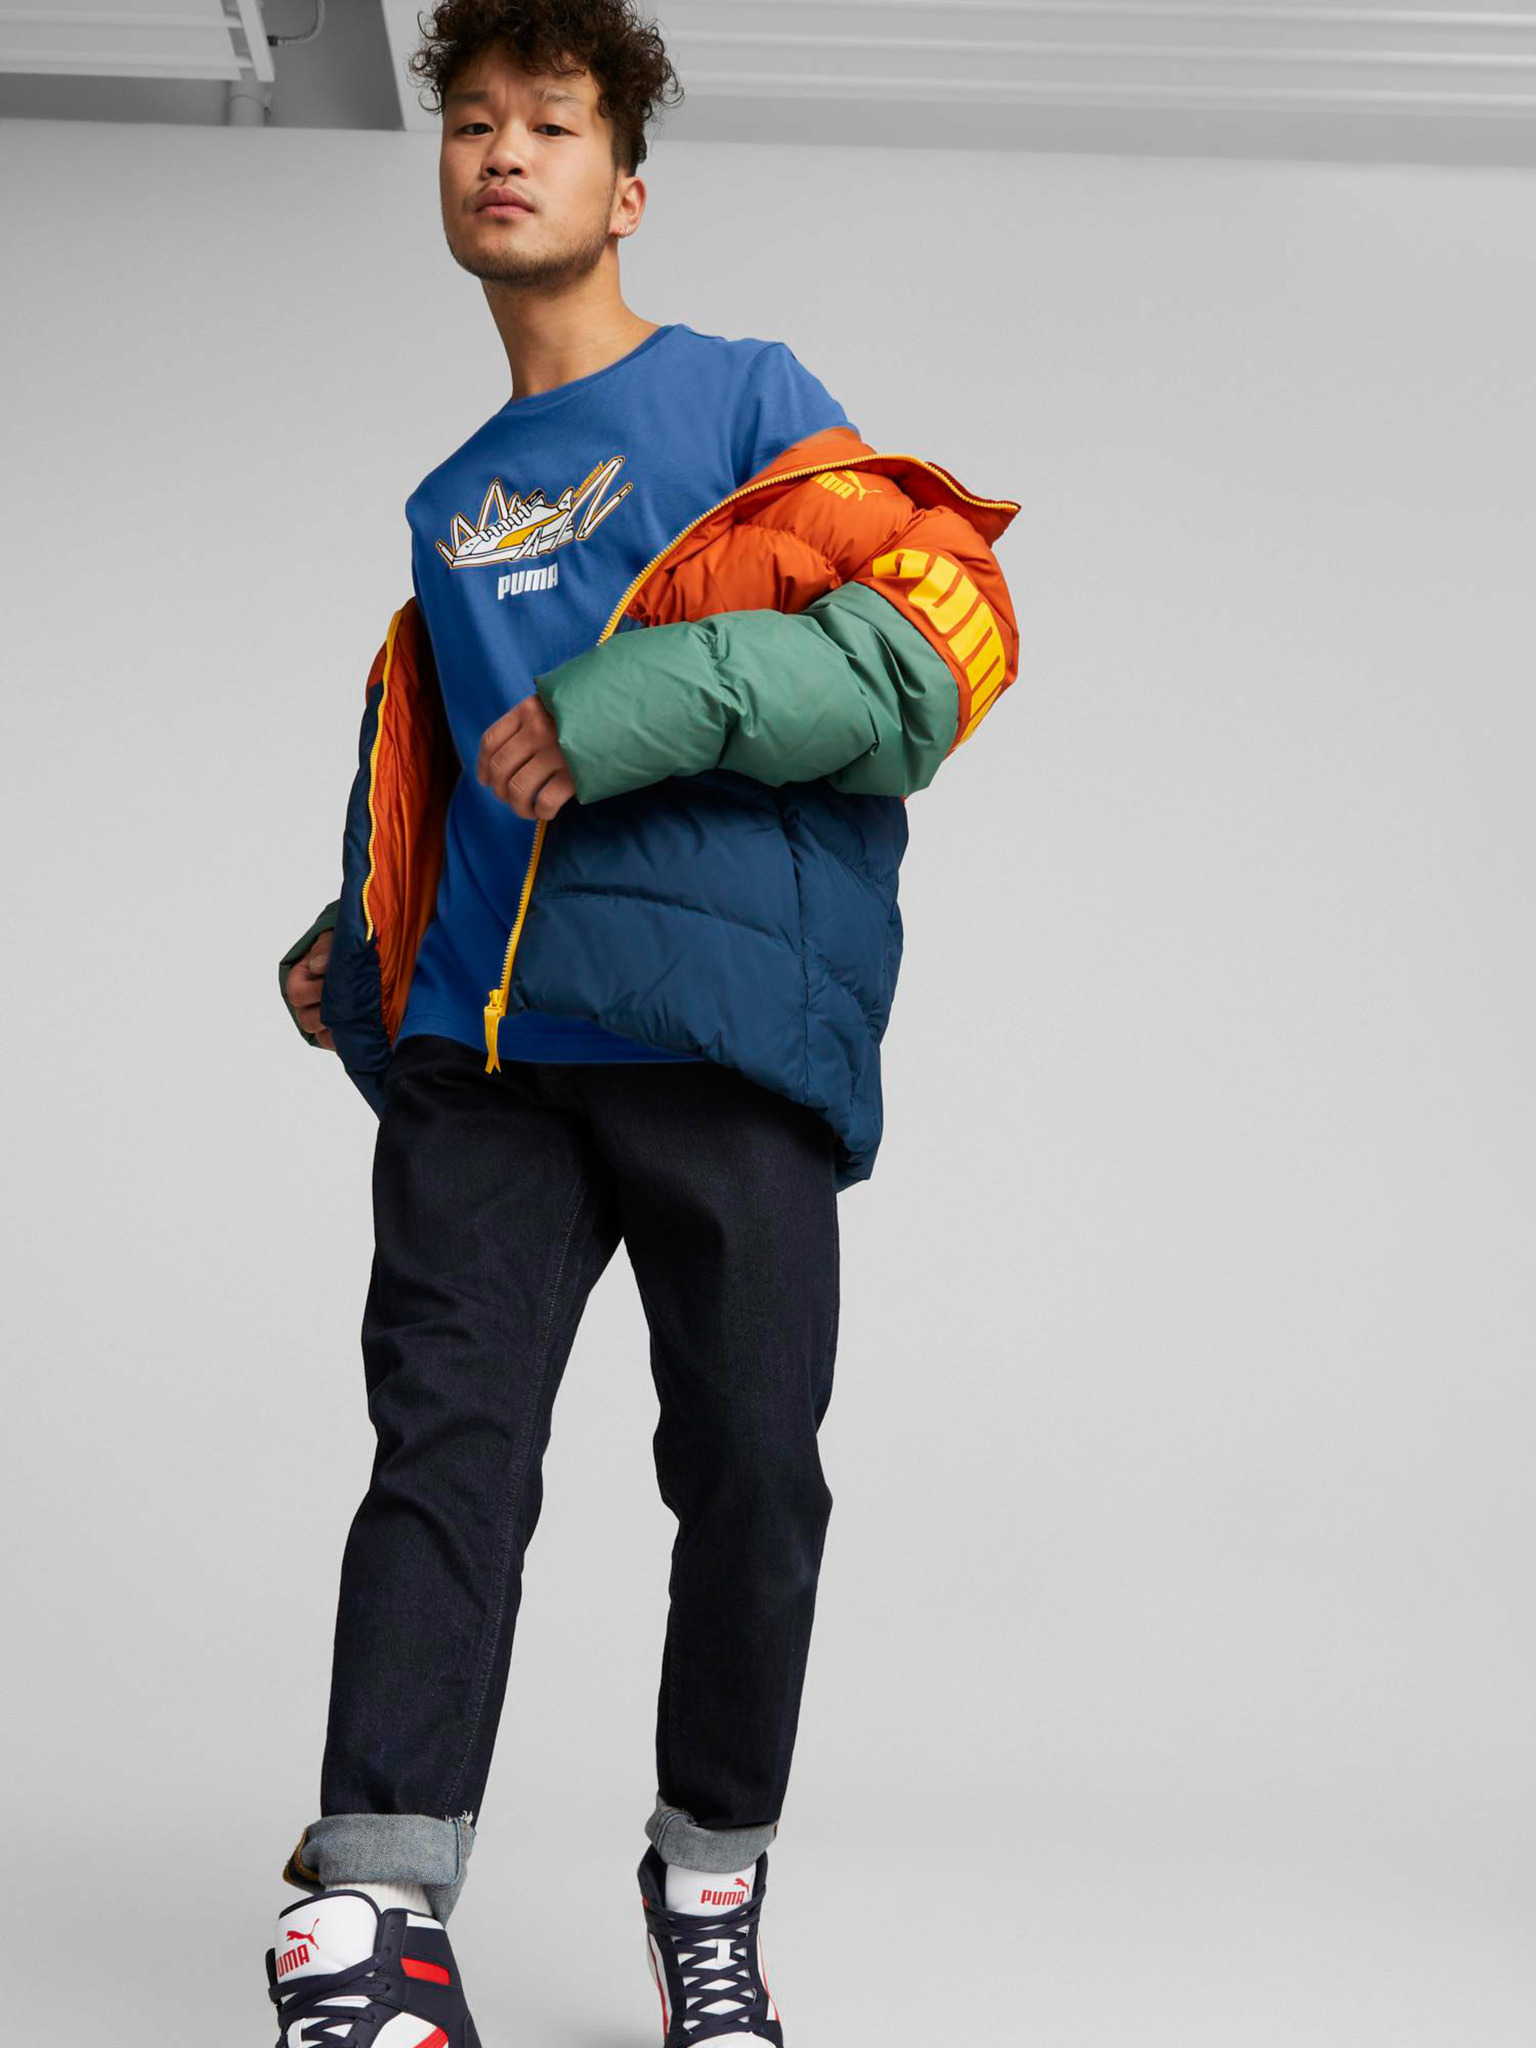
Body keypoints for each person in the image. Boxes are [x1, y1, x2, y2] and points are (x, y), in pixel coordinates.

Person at [271, 4, 1021, 2043]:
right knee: (446, 1454)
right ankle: (373, 1908)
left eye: (552, 123)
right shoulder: (448, 501)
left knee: (755, 1477)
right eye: (471, 123)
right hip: (491, 1065)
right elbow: (473, 772)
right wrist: (361, 937)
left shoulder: (744, 398)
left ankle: (708, 1885)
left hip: (716, 1043)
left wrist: (634, 709)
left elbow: (922, 657)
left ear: (628, 187)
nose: (502, 152)